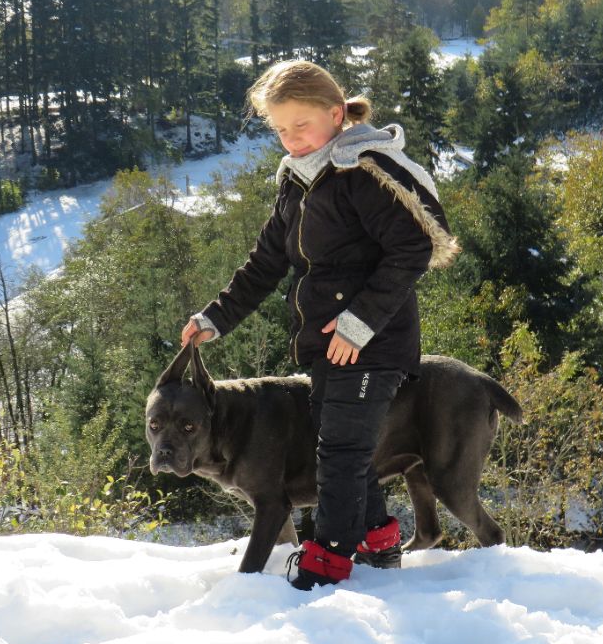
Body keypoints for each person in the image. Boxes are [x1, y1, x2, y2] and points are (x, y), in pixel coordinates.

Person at [180, 59, 459, 590]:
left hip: (372, 344)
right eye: (280, 129)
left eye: (300, 126)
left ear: (335, 114)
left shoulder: (362, 174)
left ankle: (327, 561)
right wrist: (216, 317)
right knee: (344, 444)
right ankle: (379, 540)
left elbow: (414, 248)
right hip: (324, 346)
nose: (290, 139)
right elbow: (266, 262)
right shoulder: (298, 181)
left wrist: (360, 324)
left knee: (340, 451)